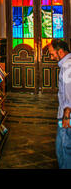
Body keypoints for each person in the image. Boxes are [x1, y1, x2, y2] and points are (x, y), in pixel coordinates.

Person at [48, 38, 71, 169]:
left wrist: (66, 113)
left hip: (67, 116)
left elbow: (68, 91)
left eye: (52, 54)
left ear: (60, 52)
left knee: (63, 149)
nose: (51, 57)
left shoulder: (67, 66)